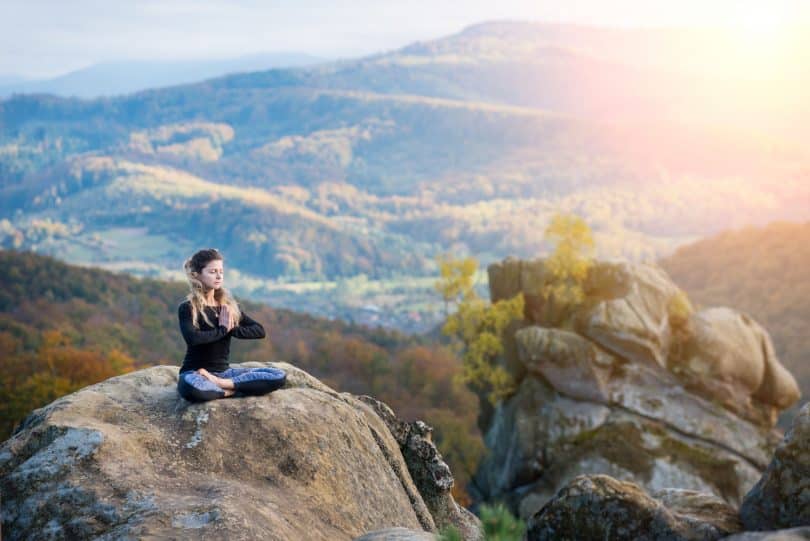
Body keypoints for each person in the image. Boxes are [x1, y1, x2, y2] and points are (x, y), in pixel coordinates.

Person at [177, 248, 286, 402]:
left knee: (278, 376)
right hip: (195, 373)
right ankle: (232, 390)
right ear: (197, 274)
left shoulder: (227, 307)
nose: (219, 275)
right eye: (213, 271)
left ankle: (223, 385)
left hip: (224, 374)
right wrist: (222, 330)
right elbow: (193, 338)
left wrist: (231, 328)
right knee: (191, 389)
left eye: (221, 271)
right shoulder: (188, 307)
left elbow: (259, 331)